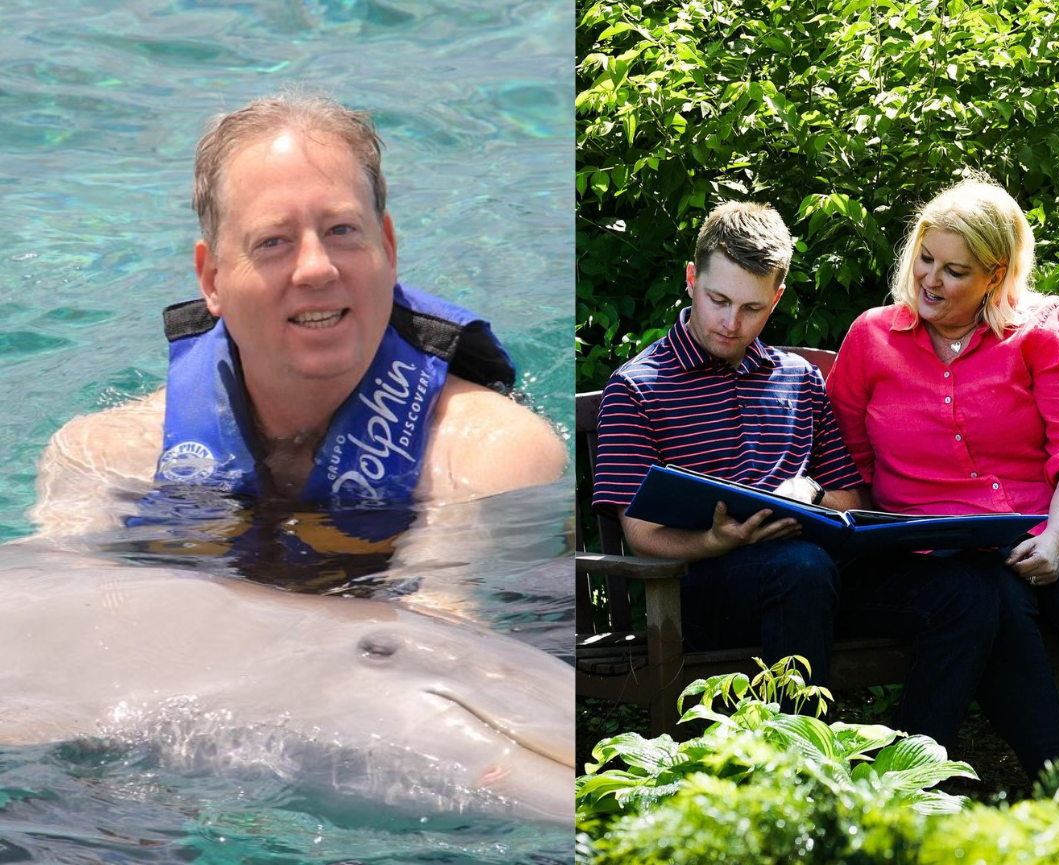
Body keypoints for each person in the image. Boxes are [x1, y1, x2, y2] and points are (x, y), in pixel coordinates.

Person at [29, 92, 565, 540]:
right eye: (273, 242)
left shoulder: (489, 462)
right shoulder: (103, 460)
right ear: (212, 279)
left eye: (341, 231)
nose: (315, 268)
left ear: (389, 249)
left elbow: (450, 630)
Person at [827, 173, 1059, 782]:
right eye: (925, 258)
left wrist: (1053, 540)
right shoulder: (873, 338)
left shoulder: (1041, 328)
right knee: (988, 598)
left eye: (955, 270)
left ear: (995, 276)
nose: (930, 279)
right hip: (947, 551)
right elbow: (846, 463)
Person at [591, 201, 1001, 742]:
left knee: (965, 591)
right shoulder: (638, 387)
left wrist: (808, 495)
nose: (730, 323)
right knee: (800, 567)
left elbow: (848, 501)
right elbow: (640, 535)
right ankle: (802, 780)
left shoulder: (799, 381)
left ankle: (910, 777)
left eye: (752, 308)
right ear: (692, 280)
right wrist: (716, 541)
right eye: (718, 300)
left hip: (812, 577)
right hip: (700, 592)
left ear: (776, 299)